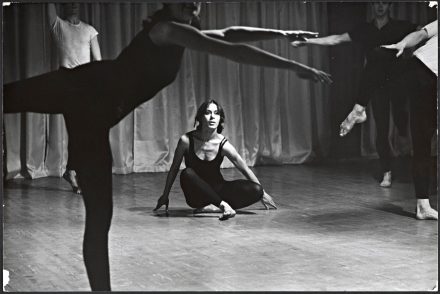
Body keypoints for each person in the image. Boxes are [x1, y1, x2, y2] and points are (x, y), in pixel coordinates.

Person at [3, 3, 331, 291]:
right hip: (81, 88)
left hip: (94, 120)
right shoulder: (167, 29)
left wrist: (282, 33)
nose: (193, 4)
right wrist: (295, 67)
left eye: (198, 1)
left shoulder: (181, 34)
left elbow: (231, 34)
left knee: (100, 217)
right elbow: (232, 49)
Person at [291, 2, 416, 188]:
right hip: (377, 84)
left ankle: (359, 109)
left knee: (402, 123)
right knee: (382, 129)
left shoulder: (401, 26)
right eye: (376, 2)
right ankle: (387, 172)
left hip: (398, 82)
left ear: (389, 5)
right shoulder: (365, 29)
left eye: (384, 2)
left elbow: (424, 32)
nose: (380, 6)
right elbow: (336, 39)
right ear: (373, 5)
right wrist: (306, 42)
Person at [154, 100, 277, 220]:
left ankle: (214, 206)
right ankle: (222, 205)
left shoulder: (223, 144)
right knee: (186, 173)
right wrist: (165, 195)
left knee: (257, 190)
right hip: (197, 196)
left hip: (219, 189)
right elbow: (174, 169)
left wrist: (263, 193)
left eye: (216, 113)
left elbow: (244, 169)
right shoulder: (186, 141)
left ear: (220, 119)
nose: (212, 117)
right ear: (200, 117)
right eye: (208, 113)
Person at [382, 19, 438, 220]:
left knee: (424, 141)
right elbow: (422, 34)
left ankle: (422, 205)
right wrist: (403, 43)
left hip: (423, 76)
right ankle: (422, 203)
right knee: (422, 140)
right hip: (423, 74)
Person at [48, 3, 102, 194]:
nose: (73, 6)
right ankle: (74, 172)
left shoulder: (89, 30)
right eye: (69, 3)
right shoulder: (59, 26)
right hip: (68, 84)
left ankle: (73, 171)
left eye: (76, 3)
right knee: (77, 129)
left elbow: (98, 61)